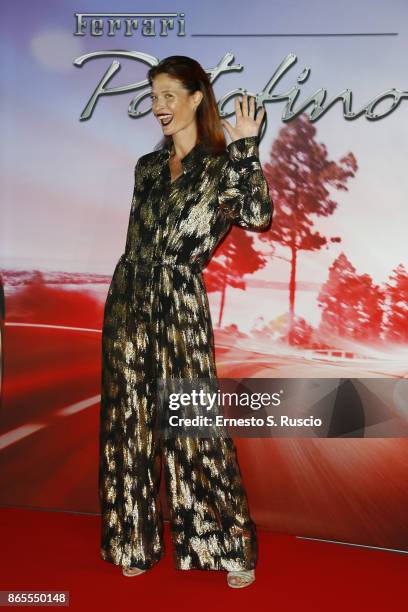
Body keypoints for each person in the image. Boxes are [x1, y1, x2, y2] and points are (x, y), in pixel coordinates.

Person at [99, 55, 273, 589]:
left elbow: (258, 215)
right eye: (154, 97)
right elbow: (138, 239)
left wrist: (245, 147)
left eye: (169, 94)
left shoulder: (221, 166)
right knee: (127, 424)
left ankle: (223, 544)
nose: (159, 107)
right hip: (129, 296)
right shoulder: (146, 169)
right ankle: (133, 538)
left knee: (192, 420)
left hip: (179, 298)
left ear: (198, 97)